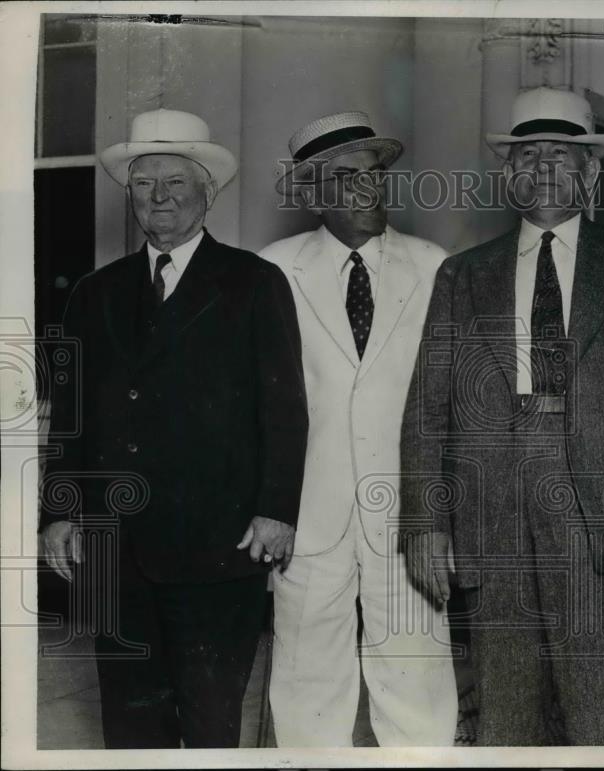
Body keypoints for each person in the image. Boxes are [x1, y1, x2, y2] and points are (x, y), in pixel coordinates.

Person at [400, 87, 604, 745]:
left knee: (596, 713)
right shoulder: (461, 275)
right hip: (493, 518)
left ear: (591, 173)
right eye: (528, 155)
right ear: (508, 175)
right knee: (504, 718)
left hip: (597, 520)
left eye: (560, 155)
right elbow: (428, 405)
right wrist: (425, 522)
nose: (542, 168)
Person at [39, 109, 309, 748]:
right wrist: (60, 510)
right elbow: (70, 417)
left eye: (174, 183)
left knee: (211, 719)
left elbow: (285, 409)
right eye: (142, 184)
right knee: (129, 722)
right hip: (117, 548)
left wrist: (276, 511)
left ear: (206, 193)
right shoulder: (95, 292)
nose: (157, 198)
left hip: (218, 547)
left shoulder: (253, 282)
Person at [260, 111, 458, 746]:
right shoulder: (273, 269)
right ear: (314, 191)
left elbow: (456, 402)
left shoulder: (435, 267)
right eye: (346, 178)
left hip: (409, 518)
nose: (368, 189)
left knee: (416, 682)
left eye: (375, 175)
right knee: (306, 686)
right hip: (307, 517)